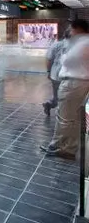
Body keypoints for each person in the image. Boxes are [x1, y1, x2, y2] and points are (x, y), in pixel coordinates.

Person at [41, 19, 89, 159]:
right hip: (76, 83)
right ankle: (58, 145)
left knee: (66, 118)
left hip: (74, 83)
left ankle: (66, 148)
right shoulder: (81, 42)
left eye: (71, 28)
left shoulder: (83, 43)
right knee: (66, 117)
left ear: (77, 29)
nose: (69, 31)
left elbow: (67, 61)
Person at [43, 29, 70, 116]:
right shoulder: (75, 46)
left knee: (57, 96)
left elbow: (49, 59)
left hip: (55, 75)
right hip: (68, 76)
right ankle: (62, 115)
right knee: (64, 97)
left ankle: (50, 104)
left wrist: (48, 72)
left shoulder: (56, 45)